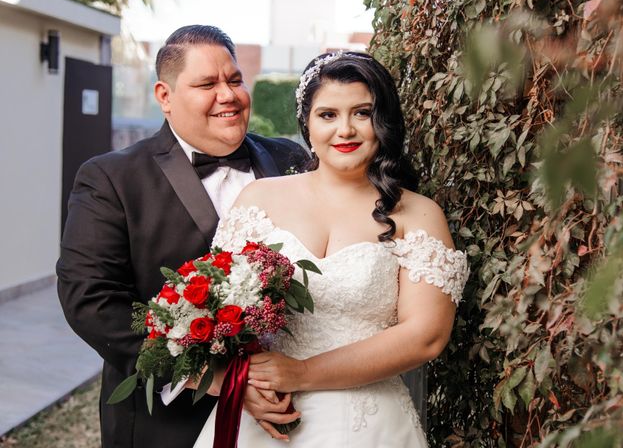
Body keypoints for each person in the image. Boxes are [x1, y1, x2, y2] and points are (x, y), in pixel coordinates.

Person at [193, 51, 469, 447]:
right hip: (262, 414)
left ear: (383, 121)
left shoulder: (418, 214)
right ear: (306, 121)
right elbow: (214, 313)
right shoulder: (259, 198)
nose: (346, 130)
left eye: (362, 113)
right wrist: (238, 386)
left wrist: (302, 373)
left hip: (368, 423)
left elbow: (425, 335)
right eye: (328, 115)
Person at [56, 25, 308, 447]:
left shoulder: (291, 159)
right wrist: (218, 380)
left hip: (296, 414)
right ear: (165, 96)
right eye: (207, 83)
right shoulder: (111, 178)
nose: (227, 94)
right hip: (168, 425)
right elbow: (91, 301)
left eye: (234, 79)